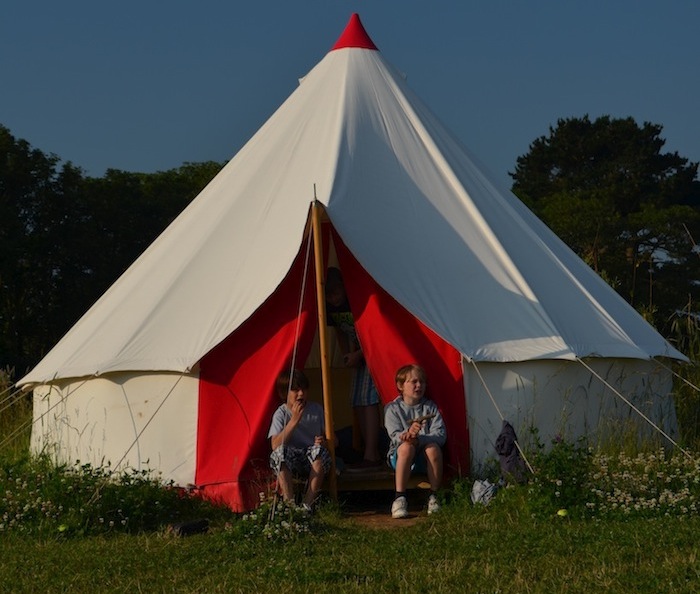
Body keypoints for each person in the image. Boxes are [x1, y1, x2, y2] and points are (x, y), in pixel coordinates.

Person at [325, 267, 382, 468]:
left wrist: (358, 355)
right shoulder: (331, 307)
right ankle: (367, 449)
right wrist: (346, 355)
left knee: (368, 399)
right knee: (357, 400)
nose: (333, 299)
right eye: (329, 295)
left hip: (373, 353)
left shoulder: (355, 301)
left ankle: (372, 453)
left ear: (344, 287)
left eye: (336, 293)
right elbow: (340, 332)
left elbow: (374, 332)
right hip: (358, 355)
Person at [384, 364, 446, 519]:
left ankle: (434, 496)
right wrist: (407, 437)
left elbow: (441, 435)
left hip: (425, 457)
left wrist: (419, 439)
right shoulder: (392, 409)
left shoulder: (430, 407)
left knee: (433, 448)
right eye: (414, 382)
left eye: (422, 382)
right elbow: (395, 435)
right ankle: (400, 497)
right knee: (406, 448)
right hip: (400, 457)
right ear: (400, 386)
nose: (419, 385)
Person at [267, 368, 333, 511]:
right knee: (279, 453)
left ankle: (307, 505)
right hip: (292, 460)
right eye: (296, 390)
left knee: (320, 451)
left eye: (303, 389)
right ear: (285, 393)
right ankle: (289, 504)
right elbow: (275, 445)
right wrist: (294, 421)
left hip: (313, 459)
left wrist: (324, 443)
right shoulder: (281, 413)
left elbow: (335, 441)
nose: (301, 394)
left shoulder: (317, 409)